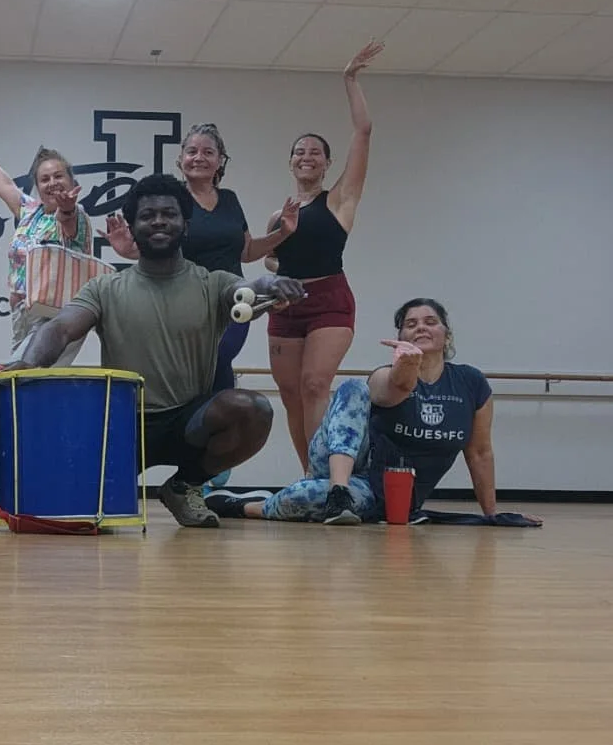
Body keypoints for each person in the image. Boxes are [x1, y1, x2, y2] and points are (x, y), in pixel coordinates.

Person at [10, 173, 305, 528]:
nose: (159, 221)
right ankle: (104, 482)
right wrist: (26, 363)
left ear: (186, 224)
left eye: (169, 213)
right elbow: (60, 328)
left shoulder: (213, 283)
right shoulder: (105, 288)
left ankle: (184, 486)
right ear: (133, 228)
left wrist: (272, 283)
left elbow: (249, 289)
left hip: (189, 425)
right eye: (148, 215)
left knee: (253, 409)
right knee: (85, 512)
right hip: (122, 427)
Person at [208, 297, 541, 527]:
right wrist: (408, 365)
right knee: (354, 387)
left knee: (305, 495)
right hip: (339, 460)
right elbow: (397, 387)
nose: (421, 328)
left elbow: (480, 452)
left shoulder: (470, 383)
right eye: (411, 324)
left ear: (446, 334)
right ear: (400, 336)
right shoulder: (387, 375)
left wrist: (491, 514)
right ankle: (337, 492)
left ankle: (245, 505)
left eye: (431, 322)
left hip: (377, 491)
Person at [106, 123, 301, 390]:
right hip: (183, 303)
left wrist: (283, 233)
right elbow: (154, 246)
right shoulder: (171, 200)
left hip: (232, 300)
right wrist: (127, 250)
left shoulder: (230, 199)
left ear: (220, 161)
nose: (199, 158)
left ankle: (223, 413)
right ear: (181, 158)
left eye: (208, 152)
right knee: (194, 370)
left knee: (218, 360)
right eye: (192, 151)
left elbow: (246, 252)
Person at [265, 39, 384, 467]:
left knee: (315, 385)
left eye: (315, 152)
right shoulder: (279, 214)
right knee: (291, 393)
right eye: (300, 151)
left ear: (327, 163)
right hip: (285, 304)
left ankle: (322, 475)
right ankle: (308, 474)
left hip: (329, 301)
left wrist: (349, 79)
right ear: (290, 162)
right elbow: (271, 261)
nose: (307, 156)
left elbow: (363, 132)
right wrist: (275, 267)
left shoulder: (339, 200)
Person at [0, 129, 94, 354]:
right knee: (22, 372)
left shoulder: (77, 214)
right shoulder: (31, 212)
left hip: (55, 318)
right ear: (38, 187)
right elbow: (4, 185)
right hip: (22, 315)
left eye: (58, 176)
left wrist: (67, 209)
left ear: (72, 181)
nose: (52, 183)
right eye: (45, 179)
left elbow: (68, 223)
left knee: (26, 371)